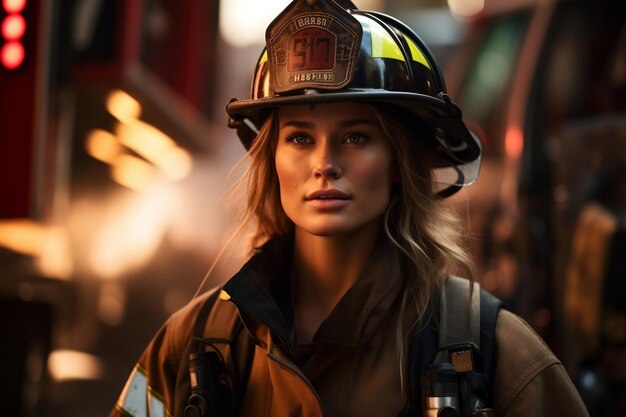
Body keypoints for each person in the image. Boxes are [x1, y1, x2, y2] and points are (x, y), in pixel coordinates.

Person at [110, 1, 590, 416]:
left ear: (402, 162)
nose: (324, 164)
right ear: (271, 159)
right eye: (299, 137)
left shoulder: (494, 351)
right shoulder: (192, 342)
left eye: (356, 137)